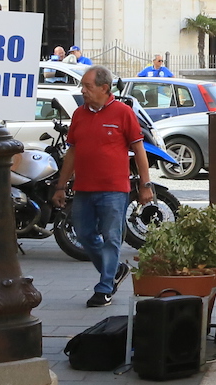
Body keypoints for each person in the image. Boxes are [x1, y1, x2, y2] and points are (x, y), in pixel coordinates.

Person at [51, 66, 153, 308]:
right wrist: (61, 186)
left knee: (111, 238)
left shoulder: (123, 113)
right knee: (84, 235)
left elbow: (139, 150)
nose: (83, 91)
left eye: (88, 86)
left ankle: (104, 287)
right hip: (84, 188)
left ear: (104, 88)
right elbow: (72, 152)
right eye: (83, 86)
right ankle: (115, 269)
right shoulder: (79, 114)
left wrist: (145, 185)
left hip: (114, 189)